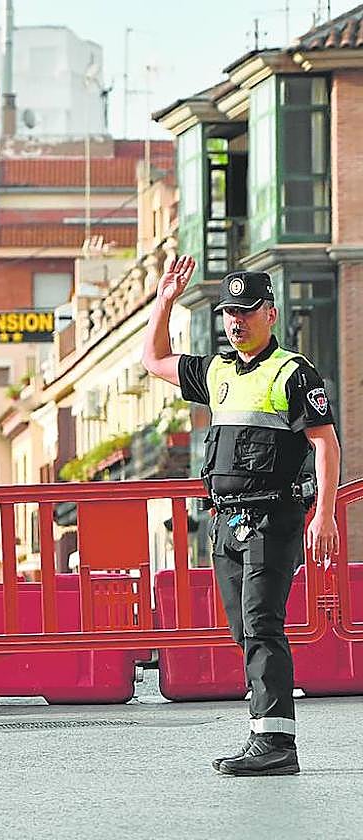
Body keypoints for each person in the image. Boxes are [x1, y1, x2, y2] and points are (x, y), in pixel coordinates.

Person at [142, 258, 340, 777]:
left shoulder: (293, 372)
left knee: (261, 623)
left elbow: (326, 444)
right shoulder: (217, 371)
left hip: (273, 518)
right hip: (225, 523)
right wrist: (164, 301)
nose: (236, 321)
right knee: (242, 628)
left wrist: (325, 513)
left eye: (247, 312)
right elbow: (155, 359)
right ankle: (264, 733)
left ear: (270, 314)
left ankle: (276, 743)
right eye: (230, 313)